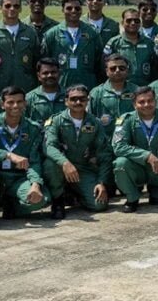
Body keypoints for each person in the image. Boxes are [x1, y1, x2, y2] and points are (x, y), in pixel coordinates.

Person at [0, 87, 49, 229]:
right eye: (10, 102)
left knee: (41, 200)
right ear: (2, 104)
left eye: (19, 102)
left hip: (17, 178)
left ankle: (12, 206)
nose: (15, 106)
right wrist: (8, 155)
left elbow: (34, 160)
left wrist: (36, 184)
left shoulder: (33, 128)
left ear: (25, 104)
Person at [42, 85, 110, 218]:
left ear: (87, 101)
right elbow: (49, 146)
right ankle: (58, 201)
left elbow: (104, 154)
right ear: (66, 101)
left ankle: (76, 193)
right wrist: (65, 163)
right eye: (73, 99)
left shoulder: (95, 123)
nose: (78, 102)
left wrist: (101, 183)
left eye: (82, 99)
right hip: (61, 167)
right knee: (51, 164)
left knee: (99, 205)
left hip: (83, 168)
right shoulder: (56, 121)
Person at [42, 0, 104, 89]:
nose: (73, 11)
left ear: (81, 10)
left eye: (77, 8)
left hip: (87, 85)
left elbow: (99, 60)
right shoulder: (52, 34)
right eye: (69, 8)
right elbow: (44, 60)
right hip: (61, 86)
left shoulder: (92, 33)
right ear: (63, 10)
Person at [0, 0, 40, 94]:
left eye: (16, 6)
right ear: (0, 8)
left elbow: (37, 61)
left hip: (25, 87)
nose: (12, 9)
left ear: (21, 9)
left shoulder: (30, 32)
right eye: (8, 6)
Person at [87, 54, 138, 140]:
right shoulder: (96, 93)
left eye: (122, 68)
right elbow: (88, 120)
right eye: (113, 68)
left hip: (130, 142)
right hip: (104, 144)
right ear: (107, 71)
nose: (117, 71)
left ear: (127, 70)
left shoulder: (137, 91)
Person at [104, 9, 158, 86]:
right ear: (122, 23)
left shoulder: (149, 43)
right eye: (129, 20)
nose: (133, 23)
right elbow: (105, 66)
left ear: (140, 23)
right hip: (123, 87)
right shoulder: (114, 43)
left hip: (145, 87)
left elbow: (155, 66)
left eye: (136, 21)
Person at [24, 59, 66, 123]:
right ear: (39, 76)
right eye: (45, 73)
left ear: (59, 74)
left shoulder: (69, 96)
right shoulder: (29, 98)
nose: (50, 75)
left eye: (53, 72)